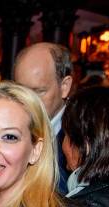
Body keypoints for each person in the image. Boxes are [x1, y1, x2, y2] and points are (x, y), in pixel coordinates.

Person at [14, 42, 73, 194]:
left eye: (38, 91)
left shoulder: (83, 137)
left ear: (64, 86)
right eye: (20, 91)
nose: (27, 101)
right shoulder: (3, 128)